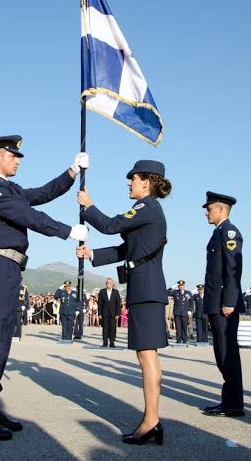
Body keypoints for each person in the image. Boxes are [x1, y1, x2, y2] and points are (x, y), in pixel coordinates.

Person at [0, 135, 89, 440]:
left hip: (9, 267)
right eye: (14, 155)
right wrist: (67, 231)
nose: (19, 160)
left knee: (3, 336)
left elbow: (42, 194)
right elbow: (28, 216)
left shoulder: (10, 189)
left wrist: (71, 172)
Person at [77, 159, 171, 445]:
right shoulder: (149, 211)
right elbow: (124, 249)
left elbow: (109, 225)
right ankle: (151, 419)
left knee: (146, 356)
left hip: (146, 288)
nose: (129, 182)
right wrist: (92, 254)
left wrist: (88, 206)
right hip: (146, 287)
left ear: (146, 181)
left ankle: (151, 420)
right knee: (147, 356)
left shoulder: (146, 207)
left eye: (133, 178)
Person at [202, 191, 245, 417]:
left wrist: (229, 301)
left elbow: (232, 269)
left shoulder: (229, 232)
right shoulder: (217, 233)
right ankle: (228, 401)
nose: (207, 213)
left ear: (221, 209)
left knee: (228, 353)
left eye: (209, 209)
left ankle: (235, 404)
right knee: (221, 353)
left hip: (223, 303)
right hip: (216, 302)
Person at [98, 278, 121, 348]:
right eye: (108, 282)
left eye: (110, 282)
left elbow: (118, 304)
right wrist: (99, 314)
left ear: (113, 284)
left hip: (113, 314)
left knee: (112, 328)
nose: (109, 284)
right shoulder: (102, 291)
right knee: (105, 328)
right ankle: (105, 343)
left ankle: (112, 343)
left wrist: (118, 314)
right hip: (104, 313)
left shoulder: (116, 292)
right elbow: (100, 303)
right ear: (106, 283)